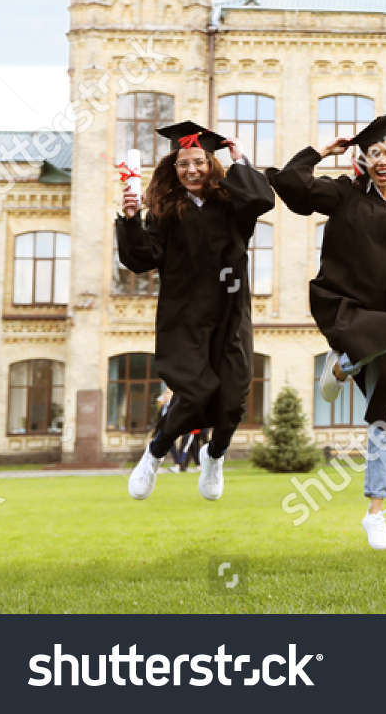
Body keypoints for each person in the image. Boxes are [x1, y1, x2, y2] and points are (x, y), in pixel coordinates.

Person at [270, 111, 386, 550]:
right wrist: (324, 151)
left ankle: (375, 512)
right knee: (384, 336)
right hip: (343, 303)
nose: (382, 160)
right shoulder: (344, 193)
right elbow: (291, 185)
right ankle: (345, 362)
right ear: (363, 160)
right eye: (373, 153)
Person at [119, 121, 276, 502]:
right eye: (183, 163)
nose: (192, 170)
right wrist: (129, 219)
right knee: (194, 393)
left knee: (234, 398)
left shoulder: (232, 203)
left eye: (200, 162)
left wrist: (242, 160)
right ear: (174, 168)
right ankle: (154, 455)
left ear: (213, 164)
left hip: (230, 312)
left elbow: (262, 201)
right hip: (184, 316)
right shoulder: (165, 211)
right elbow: (142, 258)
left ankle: (214, 455)